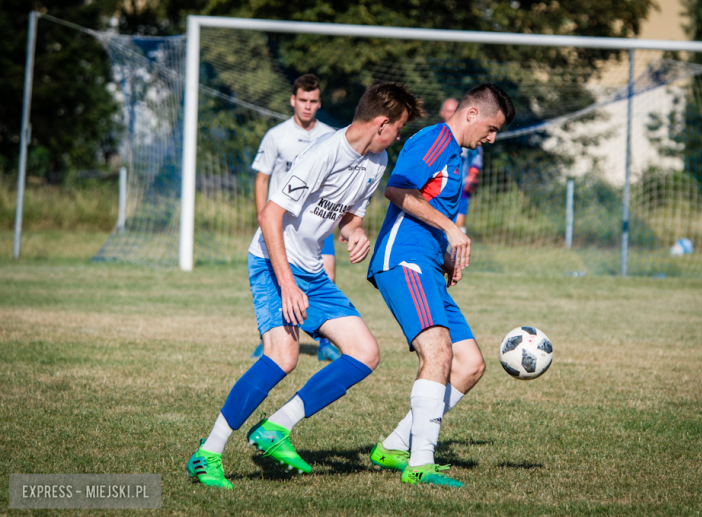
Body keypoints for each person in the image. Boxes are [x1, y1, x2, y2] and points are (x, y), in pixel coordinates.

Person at [186, 82, 425, 490]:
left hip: (311, 270)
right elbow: (269, 216)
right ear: (382, 122)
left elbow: (347, 215)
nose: (399, 136)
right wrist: (288, 285)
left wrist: (356, 233)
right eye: (398, 127)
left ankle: (276, 427)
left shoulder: (377, 159)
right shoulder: (323, 153)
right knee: (283, 356)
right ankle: (207, 454)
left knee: (365, 353)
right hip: (273, 261)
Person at [366, 84, 515, 487]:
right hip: (403, 260)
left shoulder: (457, 153)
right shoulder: (435, 139)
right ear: (471, 114)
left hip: (429, 266)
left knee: (469, 365)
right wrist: (451, 229)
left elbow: (432, 204)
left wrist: (447, 254)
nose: (492, 138)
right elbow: (397, 189)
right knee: (438, 354)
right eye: (491, 128)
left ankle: (395, 446)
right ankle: (420, 464)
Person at [251, 74, 340, 361]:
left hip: (316, 225)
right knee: (279, 281)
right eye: (302, 100)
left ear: (319, 103)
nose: (307, 106)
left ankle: (325, 341)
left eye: (313, 101)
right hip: (283, 225)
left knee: (326, 278)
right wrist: (261, 216)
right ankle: (270, 336)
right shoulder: (276, 135)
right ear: (293, 100)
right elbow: (261, 179)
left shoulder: (331, 136)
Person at [439, 98, 483, 235]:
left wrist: (473, 174)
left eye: (455, 110)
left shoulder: (467, 133)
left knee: (459, 222)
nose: (452, 114)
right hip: (439, 186)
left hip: (461, 184)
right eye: (448, 111)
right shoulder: (436, 134)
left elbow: (478, 155)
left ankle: (457, 255)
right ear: (442, 113)